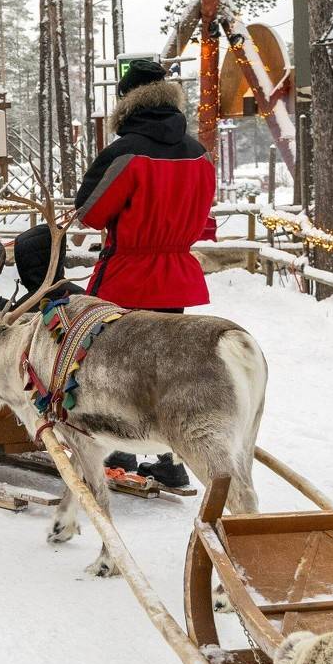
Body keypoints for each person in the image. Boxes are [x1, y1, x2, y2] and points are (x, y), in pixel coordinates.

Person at [72, 53, 218, 490]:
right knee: (168, 373)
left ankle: (118, 448)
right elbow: (204, 216)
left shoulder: (124, 153)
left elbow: (91, 213)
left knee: (112, 369)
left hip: (128, 277)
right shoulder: (199, 154)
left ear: (126, 104)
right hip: (175, 275)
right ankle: (170, 459)